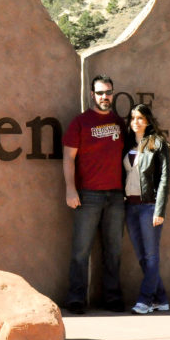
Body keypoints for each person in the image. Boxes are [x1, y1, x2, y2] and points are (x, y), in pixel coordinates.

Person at [62, 75, 126, 314]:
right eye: (100, 93)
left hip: (116, 196)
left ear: (113, 94)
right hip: (88, 195)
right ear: (92, 95)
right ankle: (76, 298)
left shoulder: (119, 123)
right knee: (81, 250)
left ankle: (112, 298)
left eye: (108, 92)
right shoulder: (80, 122)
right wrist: (70, 188)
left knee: (114, 250)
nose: (104, 97)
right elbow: (68, 158)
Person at [123, 103, 170, 315]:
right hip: (130, 206)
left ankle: (145, 300)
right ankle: (160, 298)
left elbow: (164, 180)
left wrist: (159, 210)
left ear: (148, 121)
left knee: (151, 256)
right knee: (142, 257)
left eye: (140, 118)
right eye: (133, 118)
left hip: (149, 205)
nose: (136, 122)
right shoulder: (127, 144)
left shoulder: (158, 144)